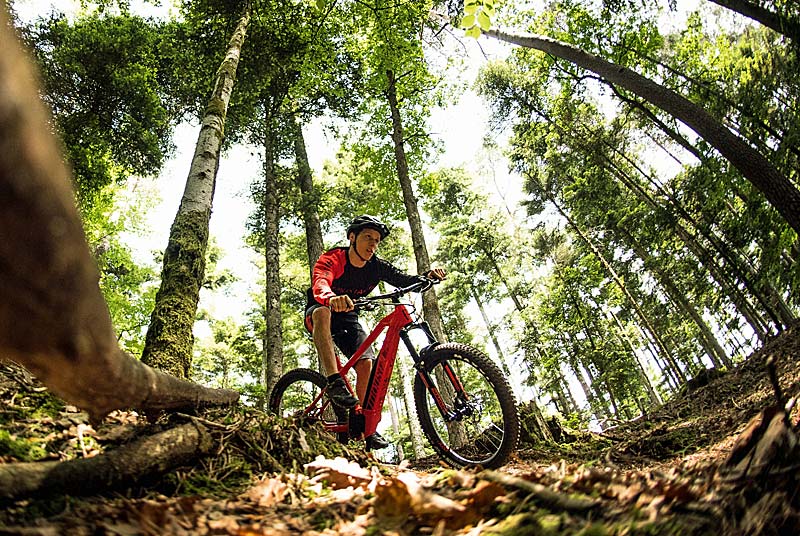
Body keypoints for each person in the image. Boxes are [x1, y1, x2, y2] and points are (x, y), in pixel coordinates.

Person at [304, 215, 446, 450]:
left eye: (377, 240)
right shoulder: (334, 258)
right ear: (352, 237)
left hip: (348, 318)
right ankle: (334, 381)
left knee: (366, 363)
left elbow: (403, 279)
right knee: (322, 313)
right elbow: (321, 282)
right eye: (367, 237)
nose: (373, 244)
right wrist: (331, 298)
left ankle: (364, 424)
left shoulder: (376, 267)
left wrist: (427, 278)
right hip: (321, 309)